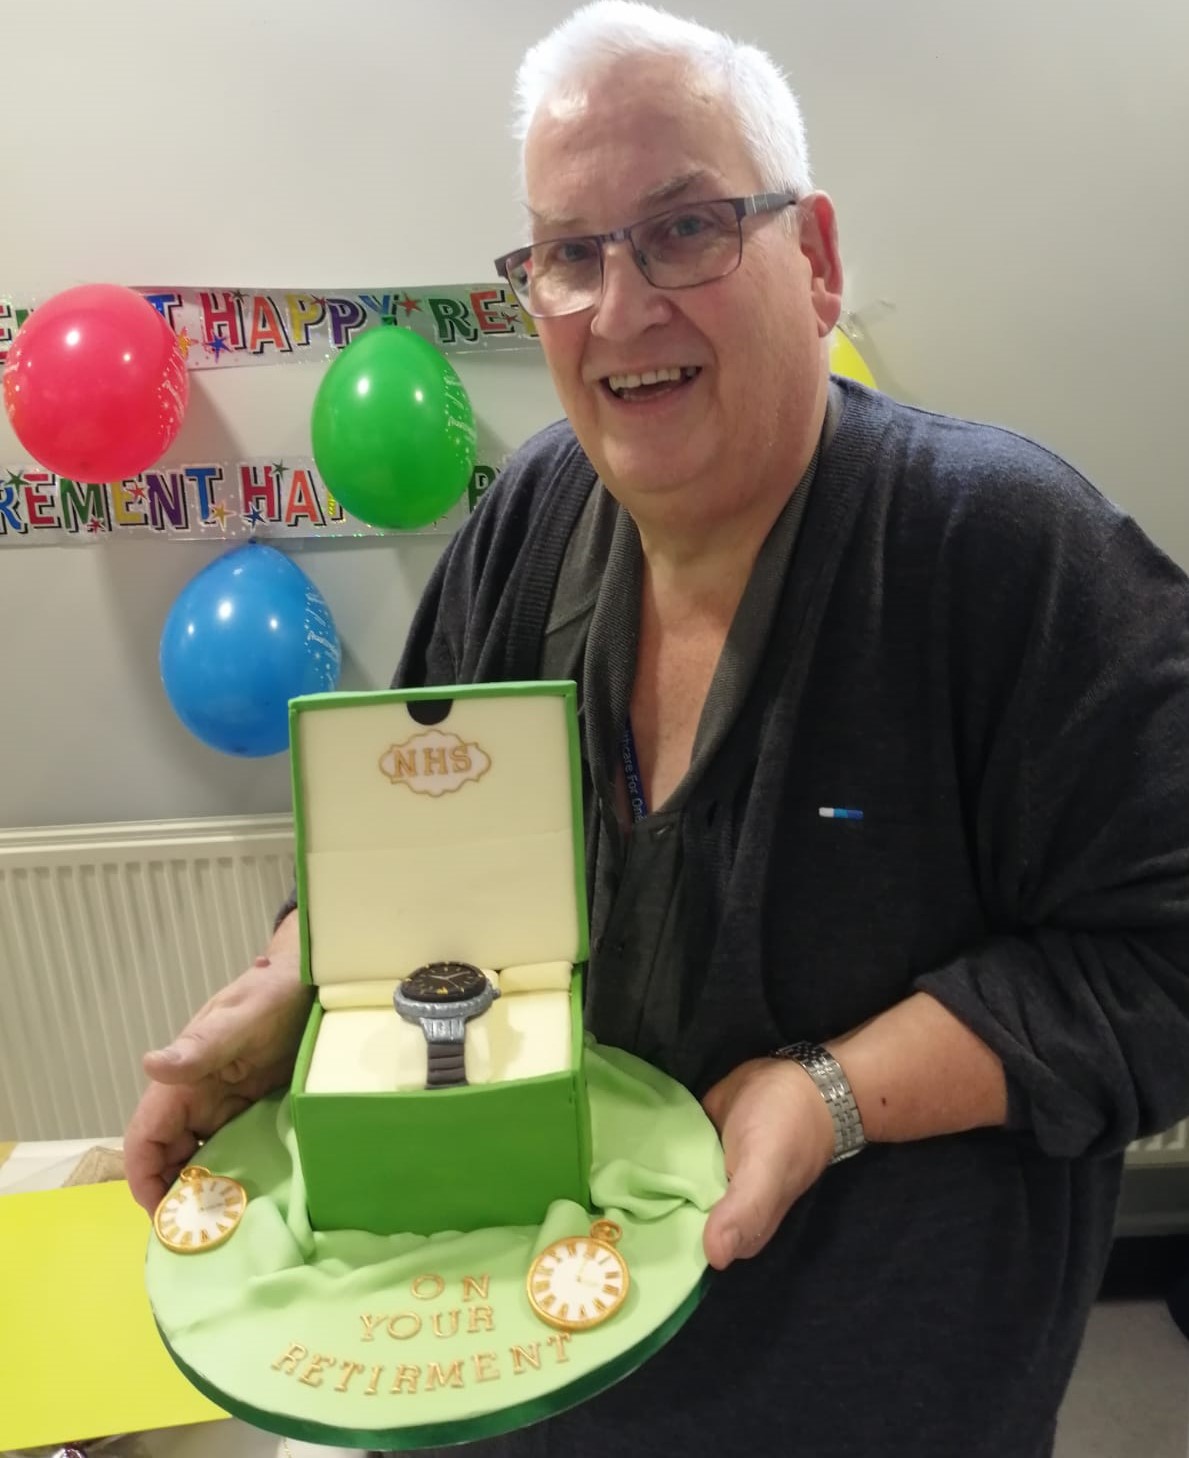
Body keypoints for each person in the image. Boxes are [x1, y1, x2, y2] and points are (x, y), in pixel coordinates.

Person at [124, 3, 1189, 1453]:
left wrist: (827, 1096)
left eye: (683, 227)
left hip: (876, 1393)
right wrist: (290, 985)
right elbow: (397, 845)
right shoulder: (529, 519)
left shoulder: (999, 551)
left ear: (810, 259)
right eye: (568, 250)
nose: (620, 307)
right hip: (533, 1368)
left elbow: (1164, 957)